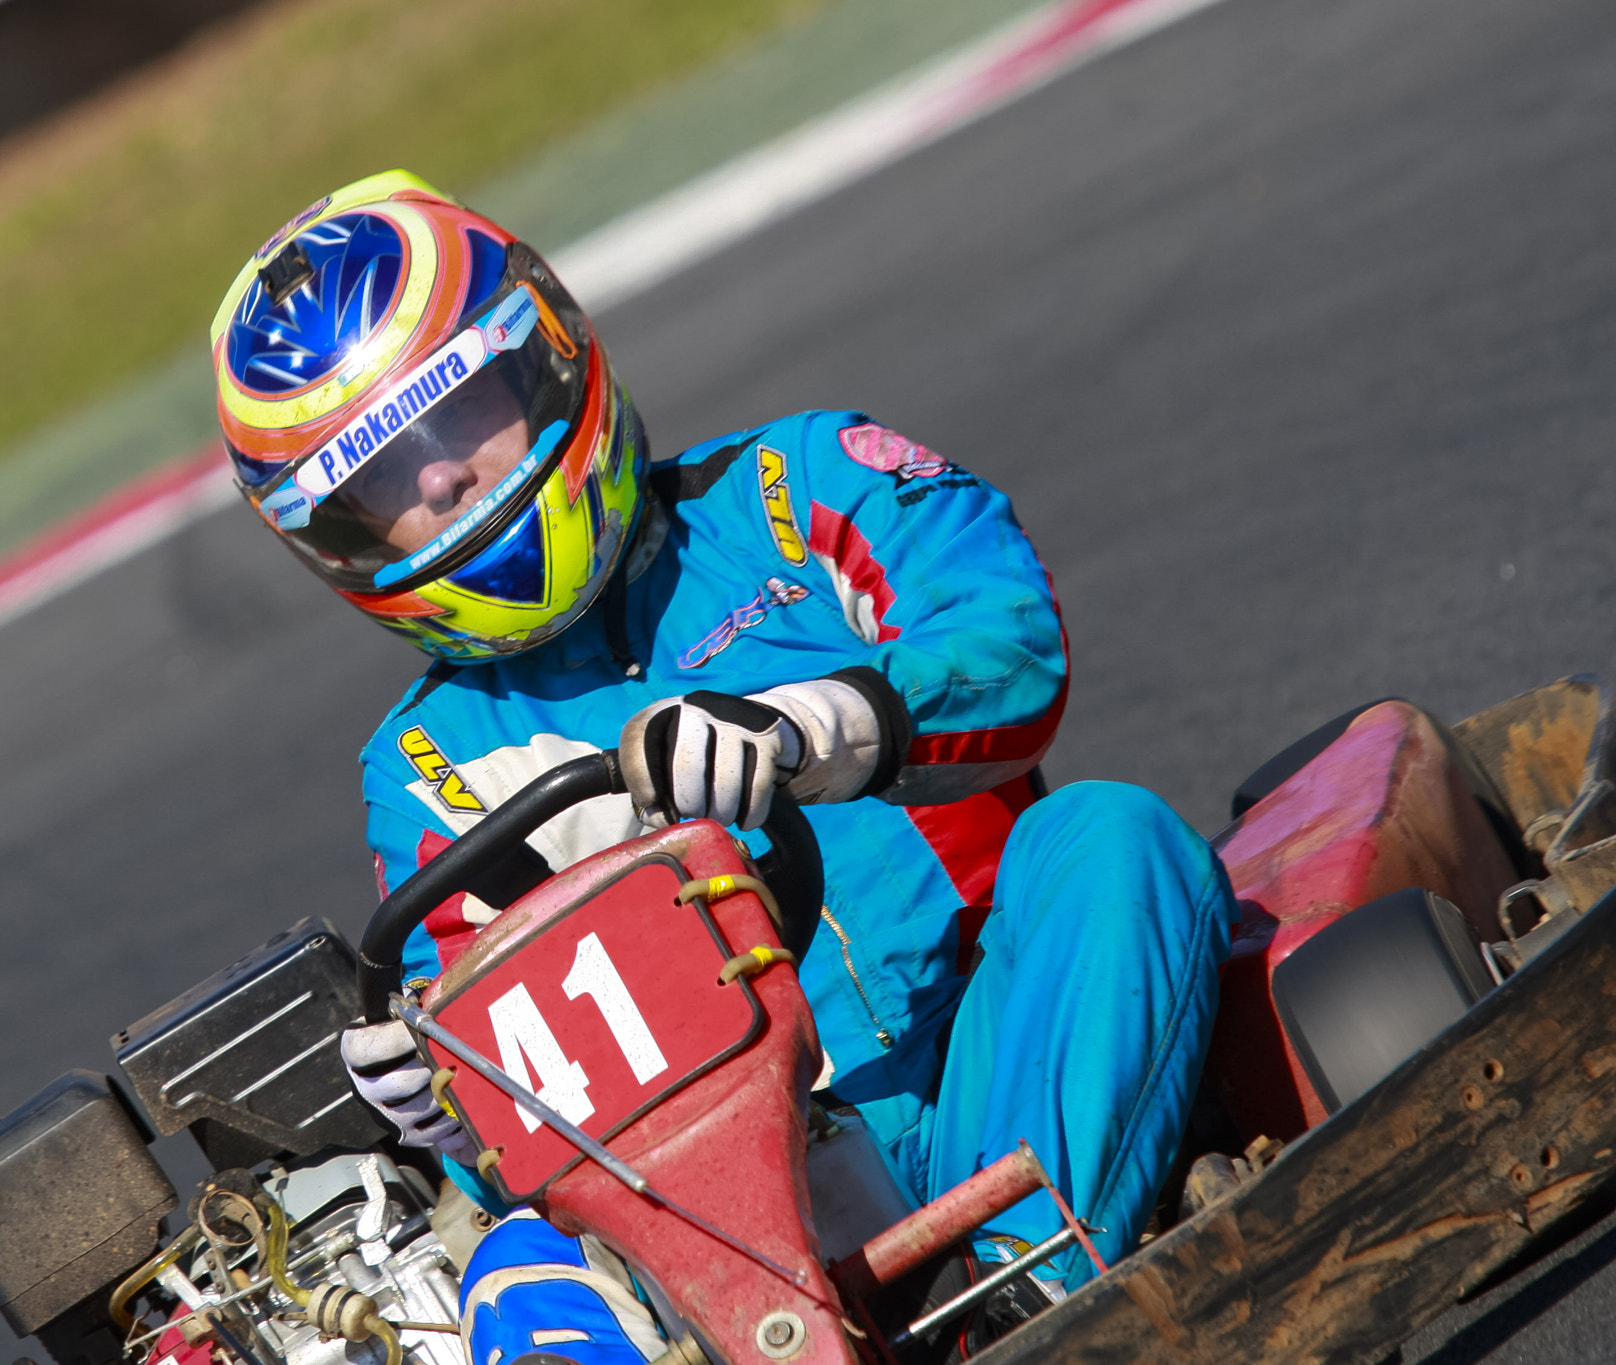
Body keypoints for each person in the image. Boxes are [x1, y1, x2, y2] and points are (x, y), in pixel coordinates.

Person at [209, 171, 1235, 1363]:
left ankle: (1034, 1306)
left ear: (540, 360)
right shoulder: (429, 765)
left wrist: (803, 733)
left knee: (1110, 837)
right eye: (381, 480)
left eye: (454, 420)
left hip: (991, 1069)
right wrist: (452, 1107)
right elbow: (521, 1129)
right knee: (507, 1266)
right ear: (335, 542)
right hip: (727, 1223)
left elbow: (1008, 641)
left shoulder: (792, 489)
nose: (439, 480)